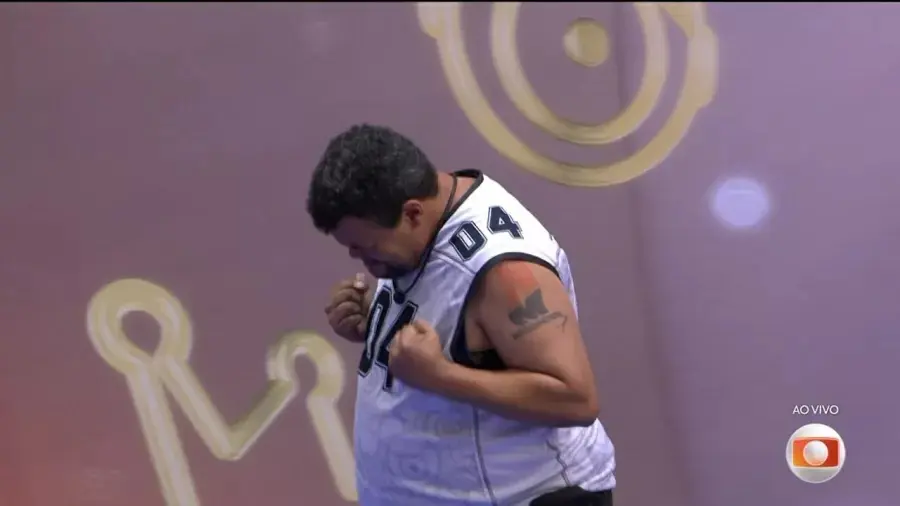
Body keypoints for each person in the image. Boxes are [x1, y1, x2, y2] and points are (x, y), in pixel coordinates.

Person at [307, 124, 615, 506]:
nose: (360, 259)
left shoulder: (507, 273)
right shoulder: (418, 220)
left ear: (412, 213)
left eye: (367, 247)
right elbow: (458, 333)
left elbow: (576, 399)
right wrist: (376, 327)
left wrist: (440, 376)